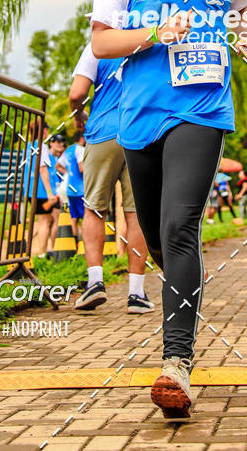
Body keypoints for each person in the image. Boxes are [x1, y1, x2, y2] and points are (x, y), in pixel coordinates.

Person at [90, 0, 247, 418]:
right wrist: (153, 32)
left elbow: (242, 14)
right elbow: (101, 43)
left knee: (177, 225)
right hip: (140, 114)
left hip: (203, 106)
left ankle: (176, 365)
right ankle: (178, 302)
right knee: (161, 243)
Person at [68, 42, 152, 314]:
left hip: (103, 131)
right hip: (140, 133)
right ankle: (136, 294)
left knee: (94, 208)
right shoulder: (150, 41)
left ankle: (95, 283)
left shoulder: (96, 47)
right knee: (136, 213)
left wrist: (79, 114)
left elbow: (77, 93)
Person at [56, 131, 86, 237]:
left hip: (69, 190)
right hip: (80, 190)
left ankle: (74, 242)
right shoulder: (81, 150)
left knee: (73, 218)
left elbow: (57, 166)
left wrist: (68, 173)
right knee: (85, 218)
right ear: (82, 138)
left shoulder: (69, 150)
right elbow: (81, 168)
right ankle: (83, 244)